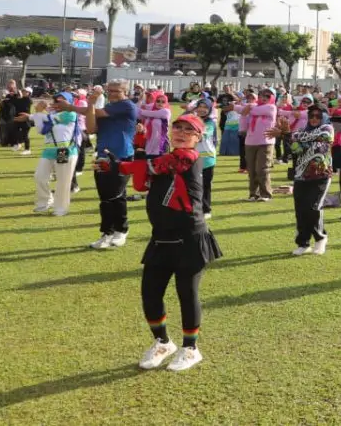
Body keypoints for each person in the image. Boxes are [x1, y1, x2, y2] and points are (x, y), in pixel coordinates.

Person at [99, 113, 222, 372]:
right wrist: (118, 165)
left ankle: (191, 348)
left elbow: (154, 166)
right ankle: (163, 342)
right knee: (150, 293)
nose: (180, 132)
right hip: (162, 237)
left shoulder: (188, 158)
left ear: (198, 138)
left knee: (187, 294)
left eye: (189, 130)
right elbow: (143, 183)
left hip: (190, 237)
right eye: (177, 127)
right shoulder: (166, 160)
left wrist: (120, 166)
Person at [270, 103, 334, 255]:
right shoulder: (300, 131)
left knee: (313, 208)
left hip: (321, 176)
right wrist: (290, 137)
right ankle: (303, 243)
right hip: (301, 176)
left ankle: (320, 238)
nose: (314, 118)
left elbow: (320, 137)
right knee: (301, 211)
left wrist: (288, 134)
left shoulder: (327, 128)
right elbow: (296, 149)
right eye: (311, 115)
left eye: (318, 116)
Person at [85, 82, 139, 248]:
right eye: (110, 91)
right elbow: (91, 128)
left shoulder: (126, 105)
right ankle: (109, 232)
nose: (112, 93)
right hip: (102, 156)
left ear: (126, 92)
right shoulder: (109, 107)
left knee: (114, 195)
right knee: (105, 197)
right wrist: (90, 105)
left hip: (121, 156)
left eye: (116, 91)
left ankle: (118, 231)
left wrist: (71, 107)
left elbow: (96, 112)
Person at [21, 93, 80, 216]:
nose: (58, 103)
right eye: (56, 101)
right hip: (48, 151)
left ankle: (60, 208)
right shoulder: (51, 114)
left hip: (63, 150)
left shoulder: (70, 114)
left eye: (62, 101)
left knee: (62, 181)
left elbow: (47, 118)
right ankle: (45, 202)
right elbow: (40, 129)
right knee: (40, 177)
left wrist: (36, 113)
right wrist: (35, 115)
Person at [240, 88, 278, 202]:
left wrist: (246, 108)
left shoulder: (271, 107)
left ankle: (266, 194)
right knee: (252, 170)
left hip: (265, 143)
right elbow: (244, 116)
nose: (264, 98)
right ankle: (253, 194)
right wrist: (244, 110)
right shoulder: (253, 107)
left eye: (267, 96)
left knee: (262, 169)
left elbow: (250, 110)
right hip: (250, 142)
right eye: (261, 96)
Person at [193, 99, 218, 219]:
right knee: (194, 185)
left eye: (205, 107)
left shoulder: (210, 123)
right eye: (200, 106)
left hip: (207, 159)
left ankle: (206, 209)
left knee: (205, 186)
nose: (202, 109)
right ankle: (195, 208)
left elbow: (203, 135)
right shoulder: (192, 120)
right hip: (193, 159)